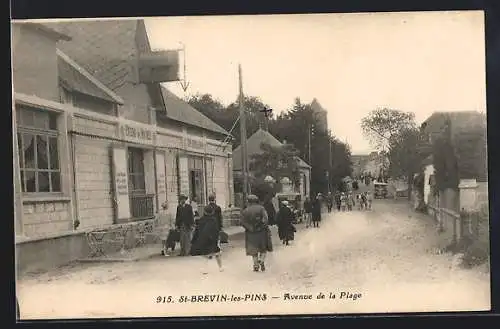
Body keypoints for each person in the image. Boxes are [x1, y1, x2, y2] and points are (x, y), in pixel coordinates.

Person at [240, 194, 273, 272]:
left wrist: (249, 228)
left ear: (248, 201)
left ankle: (255, 265)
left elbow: (242, 222)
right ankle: (261, 260)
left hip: (251, 233)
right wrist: (261, 227)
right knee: (263, 248)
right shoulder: (261, 209)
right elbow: (266, 219)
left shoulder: (245, 211)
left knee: (253, 250)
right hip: (262, 232)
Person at [190, 203, 224, 273]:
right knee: (217, 254)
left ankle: (205, 268)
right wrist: (217, 238)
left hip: (204, 239)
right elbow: (216, 230)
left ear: (204, 211)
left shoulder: (201, 220)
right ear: (212, 212)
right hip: (213, 240)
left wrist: (193, 240)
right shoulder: (214, 220)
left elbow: (197, 231)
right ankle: (220, 267)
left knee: (205, 255)